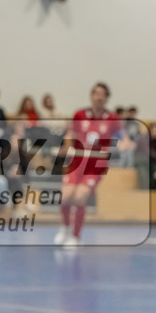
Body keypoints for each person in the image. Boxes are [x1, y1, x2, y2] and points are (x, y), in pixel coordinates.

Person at [55, 82, 119, 246]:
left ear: (106, 98)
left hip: (96, 164)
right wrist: (67, 146)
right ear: (91, 96)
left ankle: (75, 237)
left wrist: (125, 143)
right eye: (95, 94)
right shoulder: (80, 114)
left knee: (80, 196)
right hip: (77, 160)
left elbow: (122, 137)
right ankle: (65, 228)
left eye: (101, 95)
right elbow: (70, 133)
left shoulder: (112, 119)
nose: (98, 97)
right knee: (66, 196)